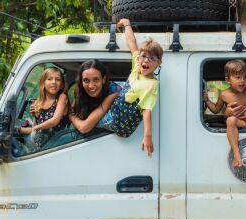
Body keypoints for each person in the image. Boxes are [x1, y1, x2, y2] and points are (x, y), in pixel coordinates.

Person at [70, 18, 163, 157]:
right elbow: (132, 43)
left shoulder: (150, 85)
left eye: (152, 59)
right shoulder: (137, 67)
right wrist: (127, 24)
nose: (146, 60)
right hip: (114, 114)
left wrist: (147, 136)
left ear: (158, 63)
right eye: (143, 56)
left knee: (81, 129)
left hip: (115, 120)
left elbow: (147, 111)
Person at [204, 60, 246, 171]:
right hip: (241, 122)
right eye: (238, 77)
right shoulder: (224, 94)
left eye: (245, 77)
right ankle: (236, 152)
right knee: (230, 120)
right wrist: (207, 100)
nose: (242, 81)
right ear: (228, 80)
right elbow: (215, 109)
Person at [18, 67, 69, 148]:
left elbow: (54, 121)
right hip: (39, 147)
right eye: (49, 79)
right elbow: (34, 130)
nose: (54, 82)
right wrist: (18, 129)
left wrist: (36, 128)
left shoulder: (61, 97)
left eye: (58, 79)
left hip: (56, 146)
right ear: (43, 83)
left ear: (62, 85)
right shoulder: (38, 102)